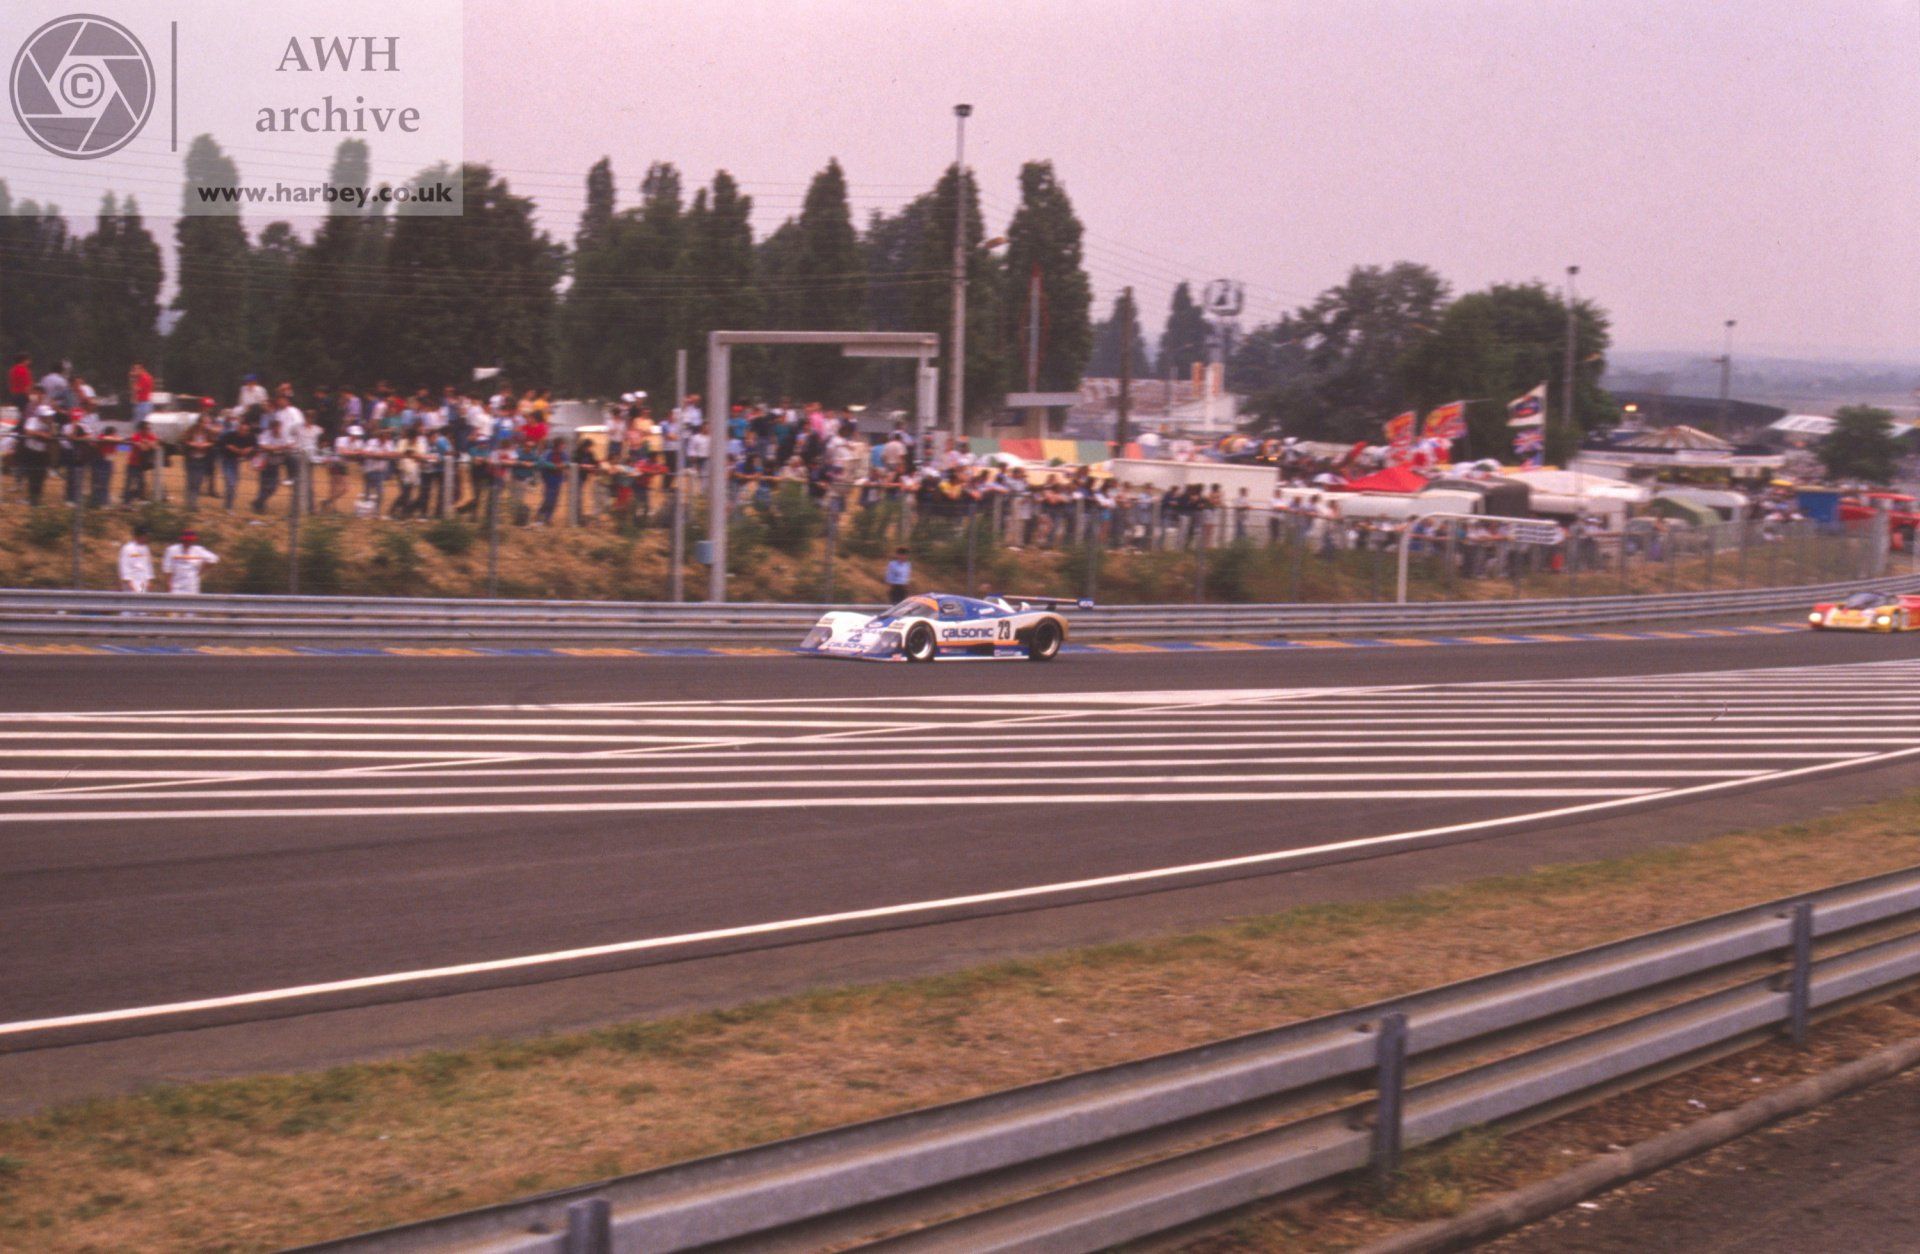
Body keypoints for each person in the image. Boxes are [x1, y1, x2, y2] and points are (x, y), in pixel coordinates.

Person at [162, 530, 220, 594]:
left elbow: (213, 559)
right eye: (186, 540)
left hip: (192, 586)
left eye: (190, 540)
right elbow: (167, 568)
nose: (188, 542)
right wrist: (168, 583)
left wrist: (201, 571)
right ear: (182, 540)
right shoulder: (172, 550)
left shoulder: (198, 550)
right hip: (176, 586)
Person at [119, 526, 155, 593]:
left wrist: (149, 581)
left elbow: (148, 566)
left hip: (143, 584)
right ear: (139, 536)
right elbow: (125, 569)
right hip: (131, 585)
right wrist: (131, 586)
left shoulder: (146, 548)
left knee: (143, 600)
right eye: (145, 535)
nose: (147, 538)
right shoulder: (127, 548)